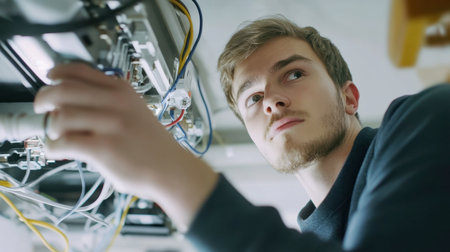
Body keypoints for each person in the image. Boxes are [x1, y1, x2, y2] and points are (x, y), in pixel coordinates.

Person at [34, 16, 450, 251]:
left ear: (350, 97)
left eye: (293, 74)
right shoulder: (310, 241)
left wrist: (172, 175)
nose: (271, 102)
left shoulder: (426, 118)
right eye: (252, 99)